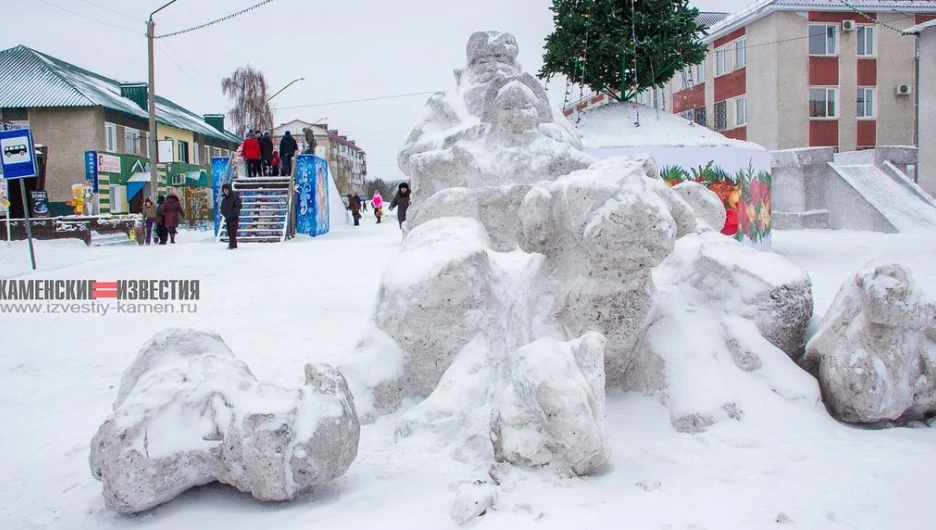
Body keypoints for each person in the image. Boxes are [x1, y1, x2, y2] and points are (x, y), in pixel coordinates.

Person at [220, 183, 242, 250]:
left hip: (234, 218)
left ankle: (232, 245)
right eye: (224, 190)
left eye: (226, 190)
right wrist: (224, 213)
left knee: (233, 232)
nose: (225, 191)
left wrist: (233, 213)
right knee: (229, 232)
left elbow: (238, 205)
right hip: (228, 217)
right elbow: (222, 207)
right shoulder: (224, 199)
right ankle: (233, 244)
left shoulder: (235, 196)